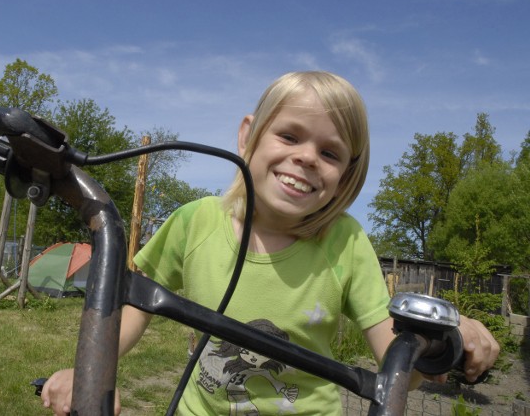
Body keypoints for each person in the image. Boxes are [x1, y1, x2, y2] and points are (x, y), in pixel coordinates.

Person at [41, 71, 499, 415]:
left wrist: (441, 343)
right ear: (248, 136)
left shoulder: (345, 244)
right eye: (289, 135)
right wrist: (92, 372)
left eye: (330, 152)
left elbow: (399, 368)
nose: (305, 158)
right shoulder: (193, 222)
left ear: (345, 176)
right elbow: (133, 302)